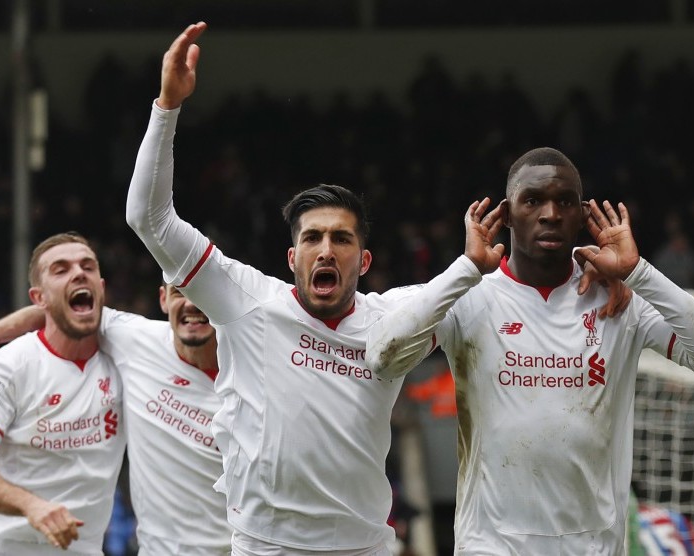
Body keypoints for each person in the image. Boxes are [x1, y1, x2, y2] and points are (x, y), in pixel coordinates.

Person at [125, 24, 633, 555]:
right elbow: (148, 218)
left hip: (365, 547)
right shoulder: (246, 300)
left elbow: (521, 289)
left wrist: (584, 271)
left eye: (341, 239)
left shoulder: (392, 317)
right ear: (290, 257)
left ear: (363, 260)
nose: (326, 250)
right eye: (313, 238)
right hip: (265, 545)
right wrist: (167, 106)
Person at [363, 147, 694, 555]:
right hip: (491, 546)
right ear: (507, 214)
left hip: (592, 548)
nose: (550, 213)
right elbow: (383, 355)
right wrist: (466, 269)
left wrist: (638, 273)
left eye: (564, 202)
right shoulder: (470, 296)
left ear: (582, 215)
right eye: (533, 201)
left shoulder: (620, 300)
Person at [0, 283, 233, 555]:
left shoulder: (256, 373)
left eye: (202, 291)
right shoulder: (137, 339)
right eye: (179, 292)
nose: (191, 303)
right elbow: (63, 312)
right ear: (163, 299)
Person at [0, 232, 126, 555]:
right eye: (61, 269)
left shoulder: (128, 355)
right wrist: (31, 505)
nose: (78, 272)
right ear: (38, 297)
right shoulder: (12, 365)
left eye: (87, 266)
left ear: (101, 286)